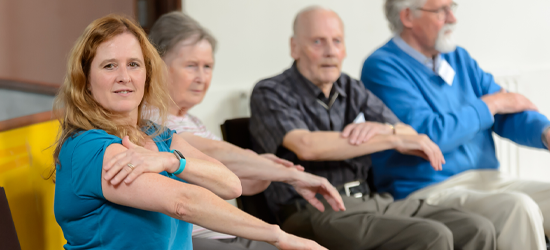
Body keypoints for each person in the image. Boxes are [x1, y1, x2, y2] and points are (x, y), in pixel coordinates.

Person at [52, 14, 326, 250]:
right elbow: (184, 202)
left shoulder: (158, 135)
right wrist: (279, 237)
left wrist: (173, 161)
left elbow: (230, 185)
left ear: (147, 73)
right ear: (86, 81)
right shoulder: (89, 148)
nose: (124, 76)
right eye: (109, 65)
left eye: (134, 64)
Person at [250, 6, 496, 250]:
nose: (330, 52)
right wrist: (391, 138)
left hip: (369, 201)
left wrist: (385, 131)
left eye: (337, 41)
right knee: (431, 235)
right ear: (294, 47)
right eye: (317, 42)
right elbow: (307, 146)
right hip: (312, 208)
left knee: (476, 228)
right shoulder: (270, 92)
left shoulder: (351, 88)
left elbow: (412, 136)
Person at [147, 11, 345, 250]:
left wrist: (263, 167)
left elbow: (239, 184)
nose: (201, 77)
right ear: (157, 65)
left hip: (227, 232)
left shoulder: (194, 121)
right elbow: (214, 153)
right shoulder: (151, 119)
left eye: (207, 66)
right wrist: (289, 174)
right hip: (196, 239)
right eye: (191, 66)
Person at [361, 0, 550, 249]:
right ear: (408, 17)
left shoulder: (458, 58)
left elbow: (508, 109)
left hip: (488, 179)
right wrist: (490, 105)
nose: (453, 18)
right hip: (430, 190)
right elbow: (428, 136)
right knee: (518, 207)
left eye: (452, 7)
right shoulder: (382, 67)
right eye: (441, 10)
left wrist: (544, 131)